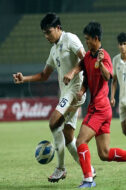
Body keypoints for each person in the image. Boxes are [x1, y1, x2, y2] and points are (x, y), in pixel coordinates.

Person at [13, 13, 95, 182]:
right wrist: (24, 79)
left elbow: (87, 60)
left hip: (75, 90)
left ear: (58, 28)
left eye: (48, 32)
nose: (46, 36)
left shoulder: (71, 39)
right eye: (44, 33)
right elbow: (44, 75)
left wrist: (73, 73)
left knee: (53, 123)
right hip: (66, 93)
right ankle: (89, 170)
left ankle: (60, 168)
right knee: (68, 137)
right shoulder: (53, 50)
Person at [63, 22, 126, 188]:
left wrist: (100, 63)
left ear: (96, 38)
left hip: (99, 108)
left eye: (87, 39)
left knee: (80, 142)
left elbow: (108, 77)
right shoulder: (88, 56)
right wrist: (82, 88)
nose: (86, 42)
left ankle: (88, 179)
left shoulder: (104, 56)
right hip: (103, 109)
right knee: (104, 153)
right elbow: (85, 71)